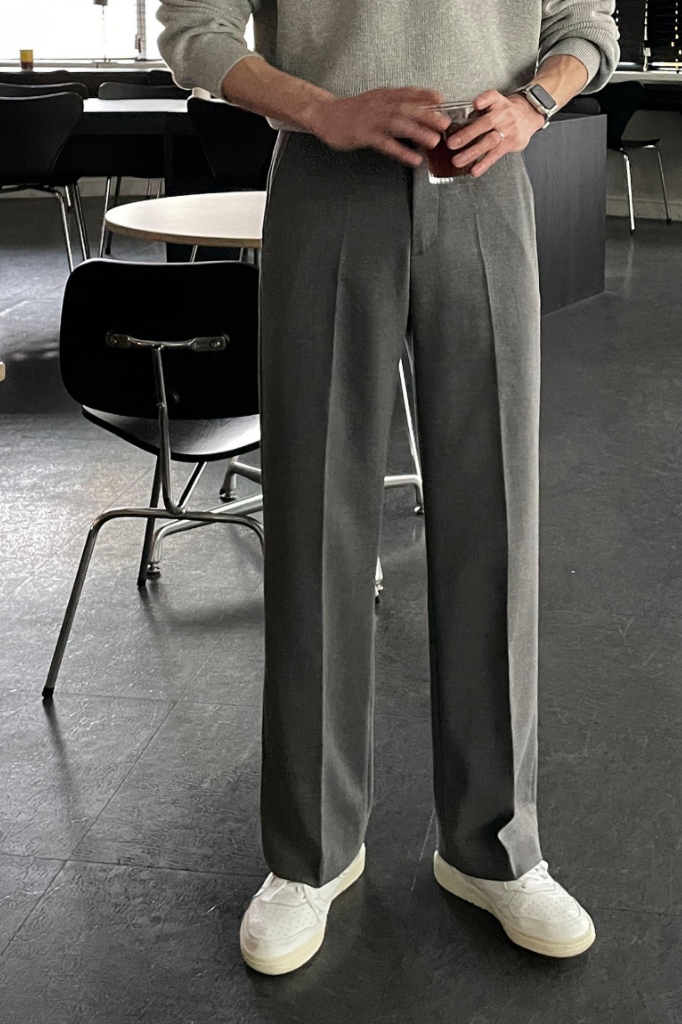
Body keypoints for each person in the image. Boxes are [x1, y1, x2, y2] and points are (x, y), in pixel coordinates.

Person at [156, 0, 620, 976]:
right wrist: (320, 109)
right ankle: (309, 852)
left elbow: (587, 24)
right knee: (313, 520)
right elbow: (195, 28)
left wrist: (535, 104)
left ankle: (495, 846)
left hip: (486, 180)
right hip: (326, 177)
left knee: (497, 515)